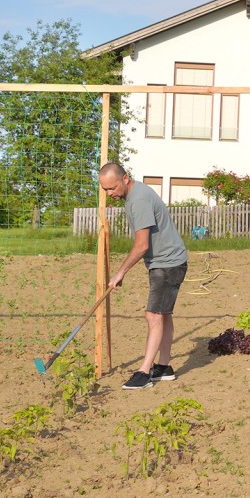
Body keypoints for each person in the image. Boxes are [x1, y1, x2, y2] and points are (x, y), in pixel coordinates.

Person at [98, 163, 188, 388]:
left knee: (153, 315)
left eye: (112, 188)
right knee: (163, 314)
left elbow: (141, 245)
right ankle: (164, 367)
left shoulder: (138, 200)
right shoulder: (136, 194)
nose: (110, 194)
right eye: (105, 190)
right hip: (167, 262)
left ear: (125, 178)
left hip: (167, 264)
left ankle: (144, 372)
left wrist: (120, 272)